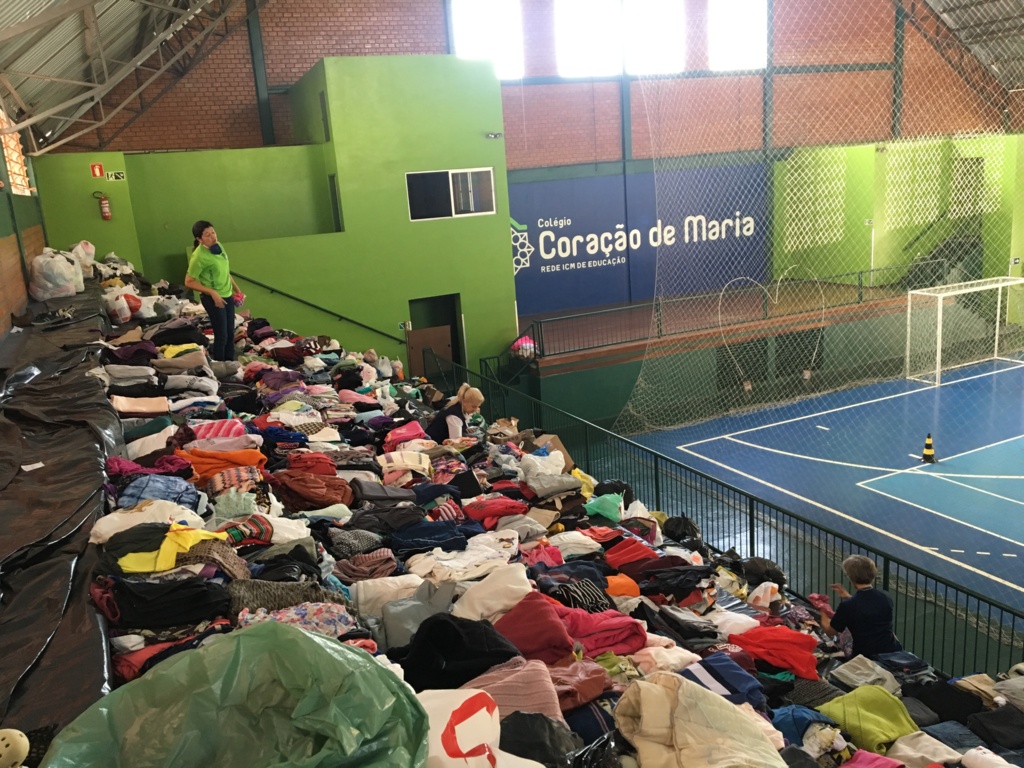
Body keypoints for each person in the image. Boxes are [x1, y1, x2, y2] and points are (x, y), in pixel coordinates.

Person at [820, 555, 902, 658]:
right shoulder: (885, 597)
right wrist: (848, 597)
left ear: (851, 577)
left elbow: (830, 631)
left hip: (865, 656)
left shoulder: (848, 606)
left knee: (840, 637)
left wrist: (822, 609)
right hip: (892, 649)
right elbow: (867, 606)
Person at [184, 220, 241, 362]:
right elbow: (188, 281)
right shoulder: (198, 257)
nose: (213, 237)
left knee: (230, 333)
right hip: (213, 298)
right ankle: (219, 368)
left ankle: (230, 365)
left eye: (213, 232)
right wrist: (212, 292)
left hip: (227, 294)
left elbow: (225, 271)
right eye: (207, 235)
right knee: (221, 334)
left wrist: (237, 290)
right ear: (199, 239)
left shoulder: (218, 246)